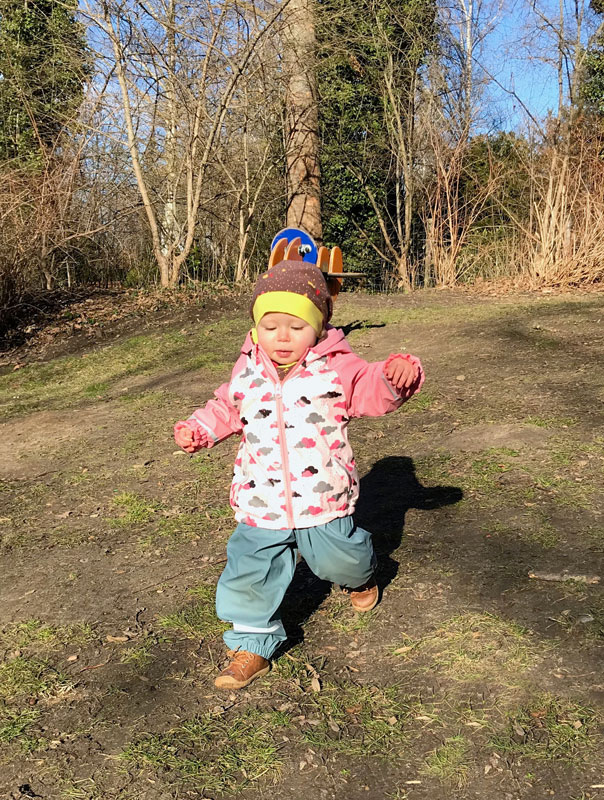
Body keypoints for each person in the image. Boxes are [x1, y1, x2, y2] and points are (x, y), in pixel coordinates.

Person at [174, 260, 424, 690]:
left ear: (319, 325)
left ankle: (361, 575)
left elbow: (369, 388)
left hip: (322, 495)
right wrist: (200, 429)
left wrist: (393, 378)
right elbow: (227, 406)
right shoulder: (247, 368)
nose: (282, 337)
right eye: (271, 326)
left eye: (295, 326)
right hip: (261, 498)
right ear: (257, 327)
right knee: (251, 569)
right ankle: (251, 644)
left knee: (339, 559)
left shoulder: (336, 368)